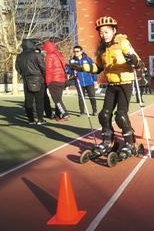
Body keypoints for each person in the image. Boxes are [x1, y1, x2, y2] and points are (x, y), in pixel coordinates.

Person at [71, 16, 144, 157]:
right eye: (101, 32)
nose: (103, 35)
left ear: (114, 31)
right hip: (111, 84)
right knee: (104, 115)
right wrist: (81, 67)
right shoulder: (102, 48)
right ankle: (108, 141)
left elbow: (138, 61)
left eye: (106, 32)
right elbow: (97, 68)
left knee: (121, 116)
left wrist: (133, 60)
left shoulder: (122, 42)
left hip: (125, 83)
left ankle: (130, 143)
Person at [15, 39, 46, 125]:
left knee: (28, 101)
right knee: (39, 100)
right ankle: (40, 119)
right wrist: (43, 75)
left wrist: (24, 74)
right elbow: (43, 68)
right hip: (39, 79)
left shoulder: (19, 56)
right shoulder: (37, 55)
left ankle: (31, 120)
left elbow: (17, 68)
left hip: (26, 79)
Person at [43, 40, 70, 121]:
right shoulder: (59, 54)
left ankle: (65, 113)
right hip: (61, 79)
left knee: (56, 100)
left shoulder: (49, 56)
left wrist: (48, 82)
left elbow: (48, 69)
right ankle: (58, 116)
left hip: (53, 80)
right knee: (58, 98)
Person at [69, 45, 98, 116]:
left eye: (77, 51)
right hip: (79, 82)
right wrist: (73, 72)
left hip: (89, 81)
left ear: (81, 52)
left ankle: (94, 111)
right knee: (81, 98)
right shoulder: (72, 61)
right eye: (74, 51)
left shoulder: (88, 59)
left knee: (92, 96)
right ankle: (82, 112)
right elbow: (69, 71)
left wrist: (95, 80)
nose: (75, 53)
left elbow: (93, 70)